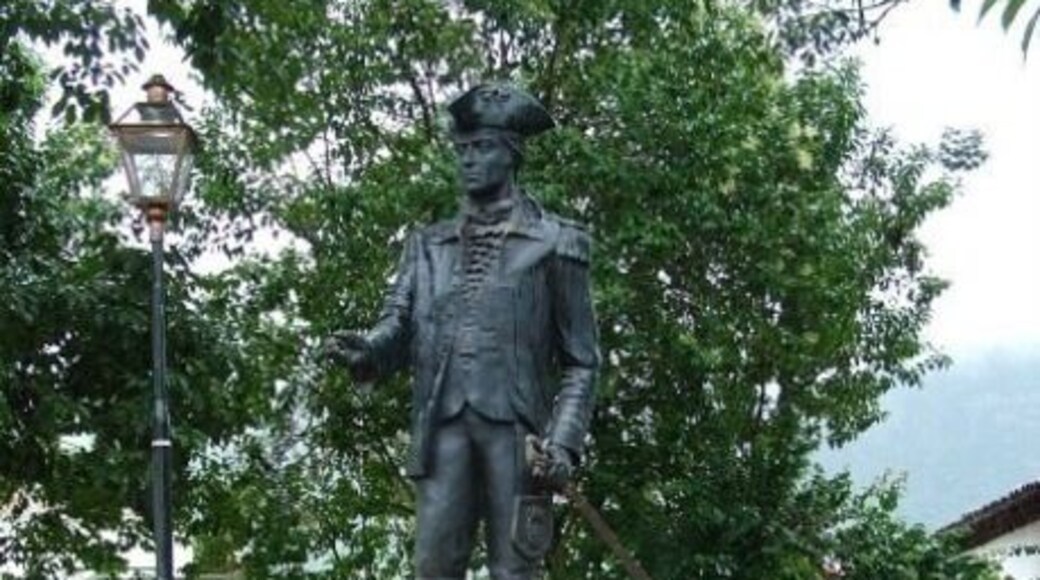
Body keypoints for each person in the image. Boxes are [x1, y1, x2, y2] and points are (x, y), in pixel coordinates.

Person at [326, 83, 600, 580]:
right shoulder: (427, 245)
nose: (469, 160)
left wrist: (562, 445)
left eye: (483, 148)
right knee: (432, 567)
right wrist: (368, 350)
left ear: (512, 154)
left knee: (515, 570)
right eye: (463, 150)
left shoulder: (559, 242)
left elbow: (582, 361)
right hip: (442, 426)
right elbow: (399, 325)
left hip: (518, 437)